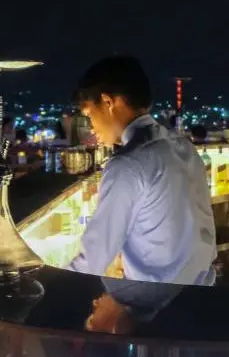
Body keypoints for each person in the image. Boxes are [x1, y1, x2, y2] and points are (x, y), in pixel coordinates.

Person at [69, 56, 216, 284]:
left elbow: (92, 260)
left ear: (108, 102)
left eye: (89, 115)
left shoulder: (127, 164)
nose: (92, 127)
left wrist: (50, 288)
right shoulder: (182, 146)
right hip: (201, 288)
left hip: (158, 299)